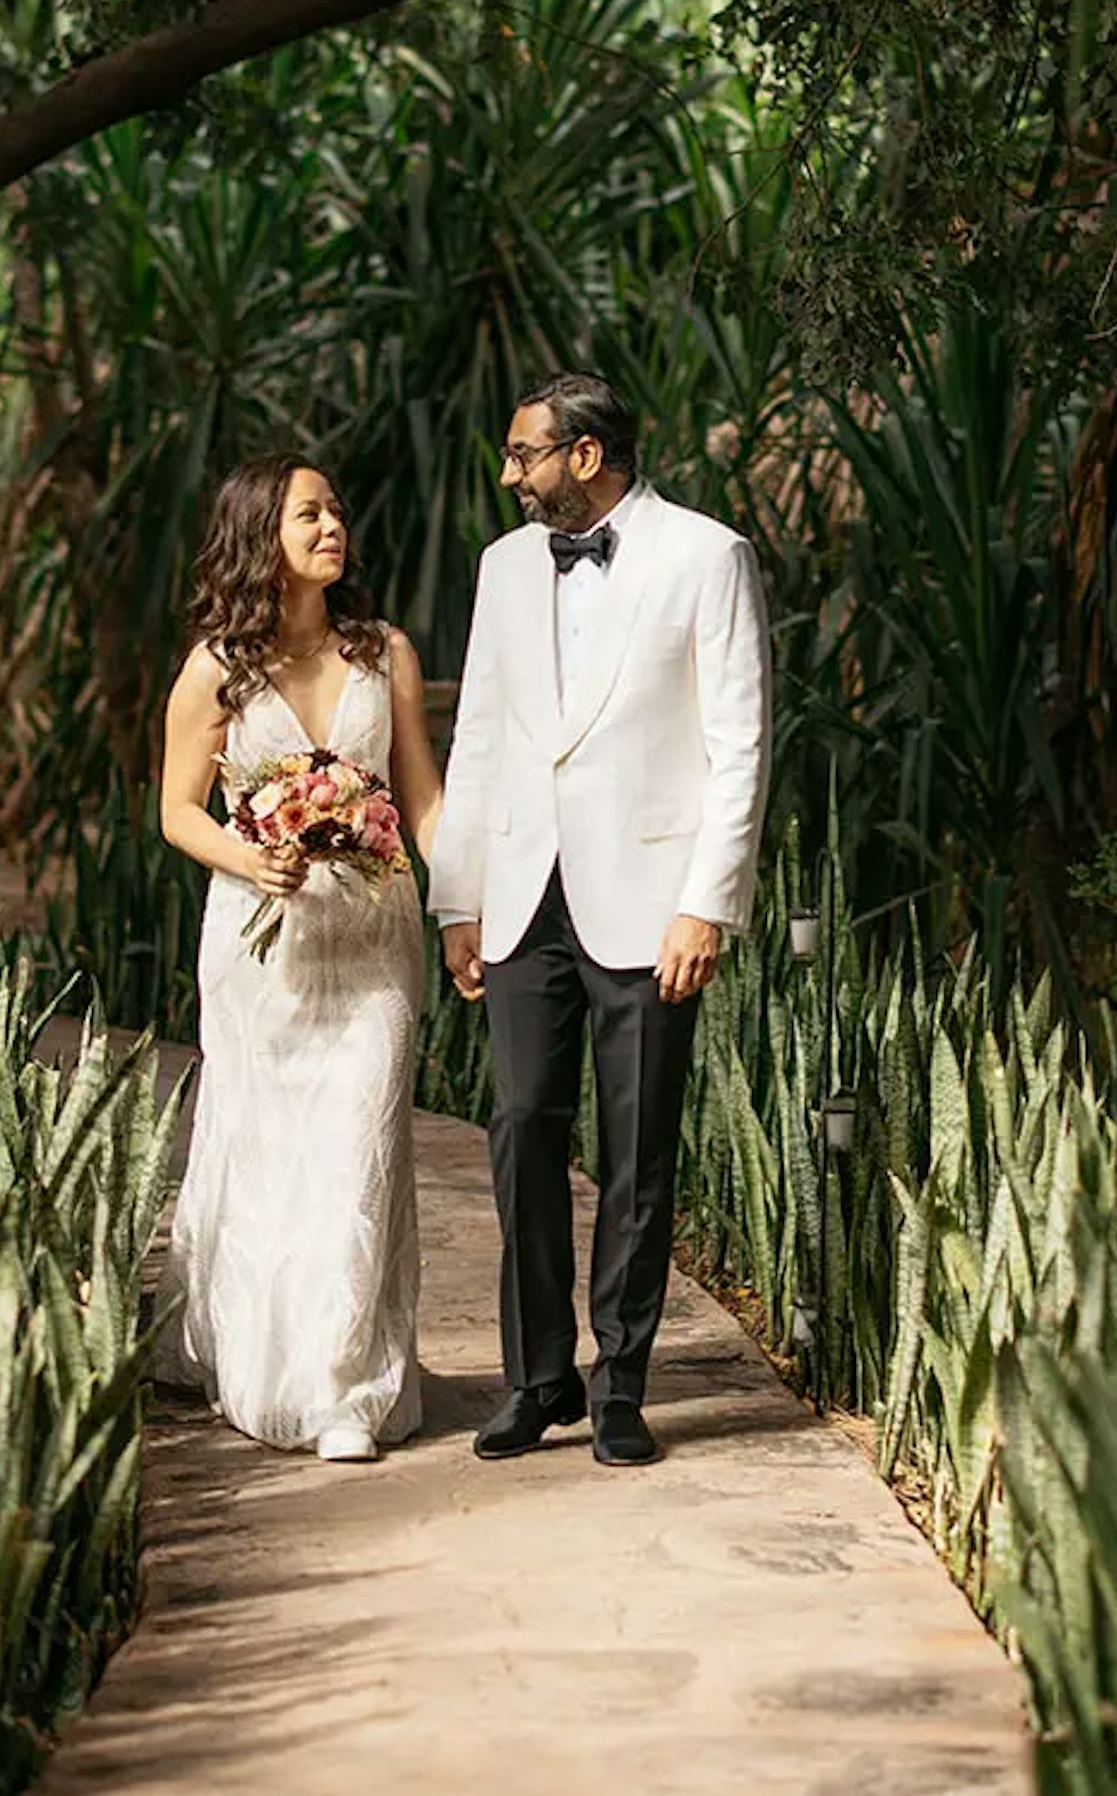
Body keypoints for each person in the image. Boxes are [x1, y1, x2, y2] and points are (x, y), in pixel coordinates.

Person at [429, 371, 771, 1468]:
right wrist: (460, 896)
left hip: (649, 899)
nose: (509, 474)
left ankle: (623, 1380)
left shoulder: (706, 555)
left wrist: (706, 901)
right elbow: (479, 732)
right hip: (526, 896)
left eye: (524, 453)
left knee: (638, 1148)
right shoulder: (502, 566)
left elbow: (741, 743)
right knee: (524, 1124)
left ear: (585, 455)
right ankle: (540, 1376)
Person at [151, 455, 444, 1462]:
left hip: (373, 943)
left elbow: (423, 797)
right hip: (260, 947)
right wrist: (252, 856)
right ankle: (258, 1347)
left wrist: (471, 910)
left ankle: (343, 1388)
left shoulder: (384, 653)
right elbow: (176, 809)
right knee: (275, 1150)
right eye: (309, 511)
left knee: (360, 1140)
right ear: (258, 535)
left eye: (336, 508)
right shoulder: (216, 670)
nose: (333, 525)